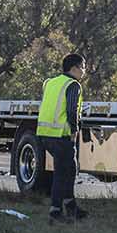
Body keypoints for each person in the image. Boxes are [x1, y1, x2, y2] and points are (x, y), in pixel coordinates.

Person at [37, 53, 88, 222]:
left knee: (67, 169)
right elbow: (72, 110)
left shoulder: (51, 82)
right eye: (83, 66)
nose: (84, 71)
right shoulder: (73, 85)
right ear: (74, 68)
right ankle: (56, 210)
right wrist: (75, 130)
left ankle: (70, 205)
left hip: (45, 134)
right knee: (64, 172)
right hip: (61, 135)